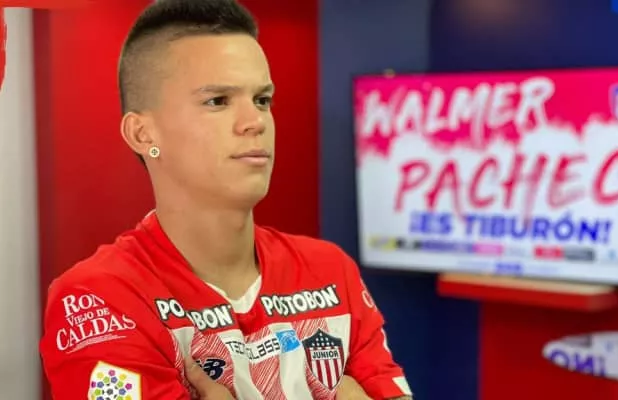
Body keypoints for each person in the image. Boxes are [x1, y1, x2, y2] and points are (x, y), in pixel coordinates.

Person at [38, 0, 413, 399]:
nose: (255, 122)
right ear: (143, 134)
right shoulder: (98, 299)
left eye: (262, 100)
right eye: (217, 101)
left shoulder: (330, 272)